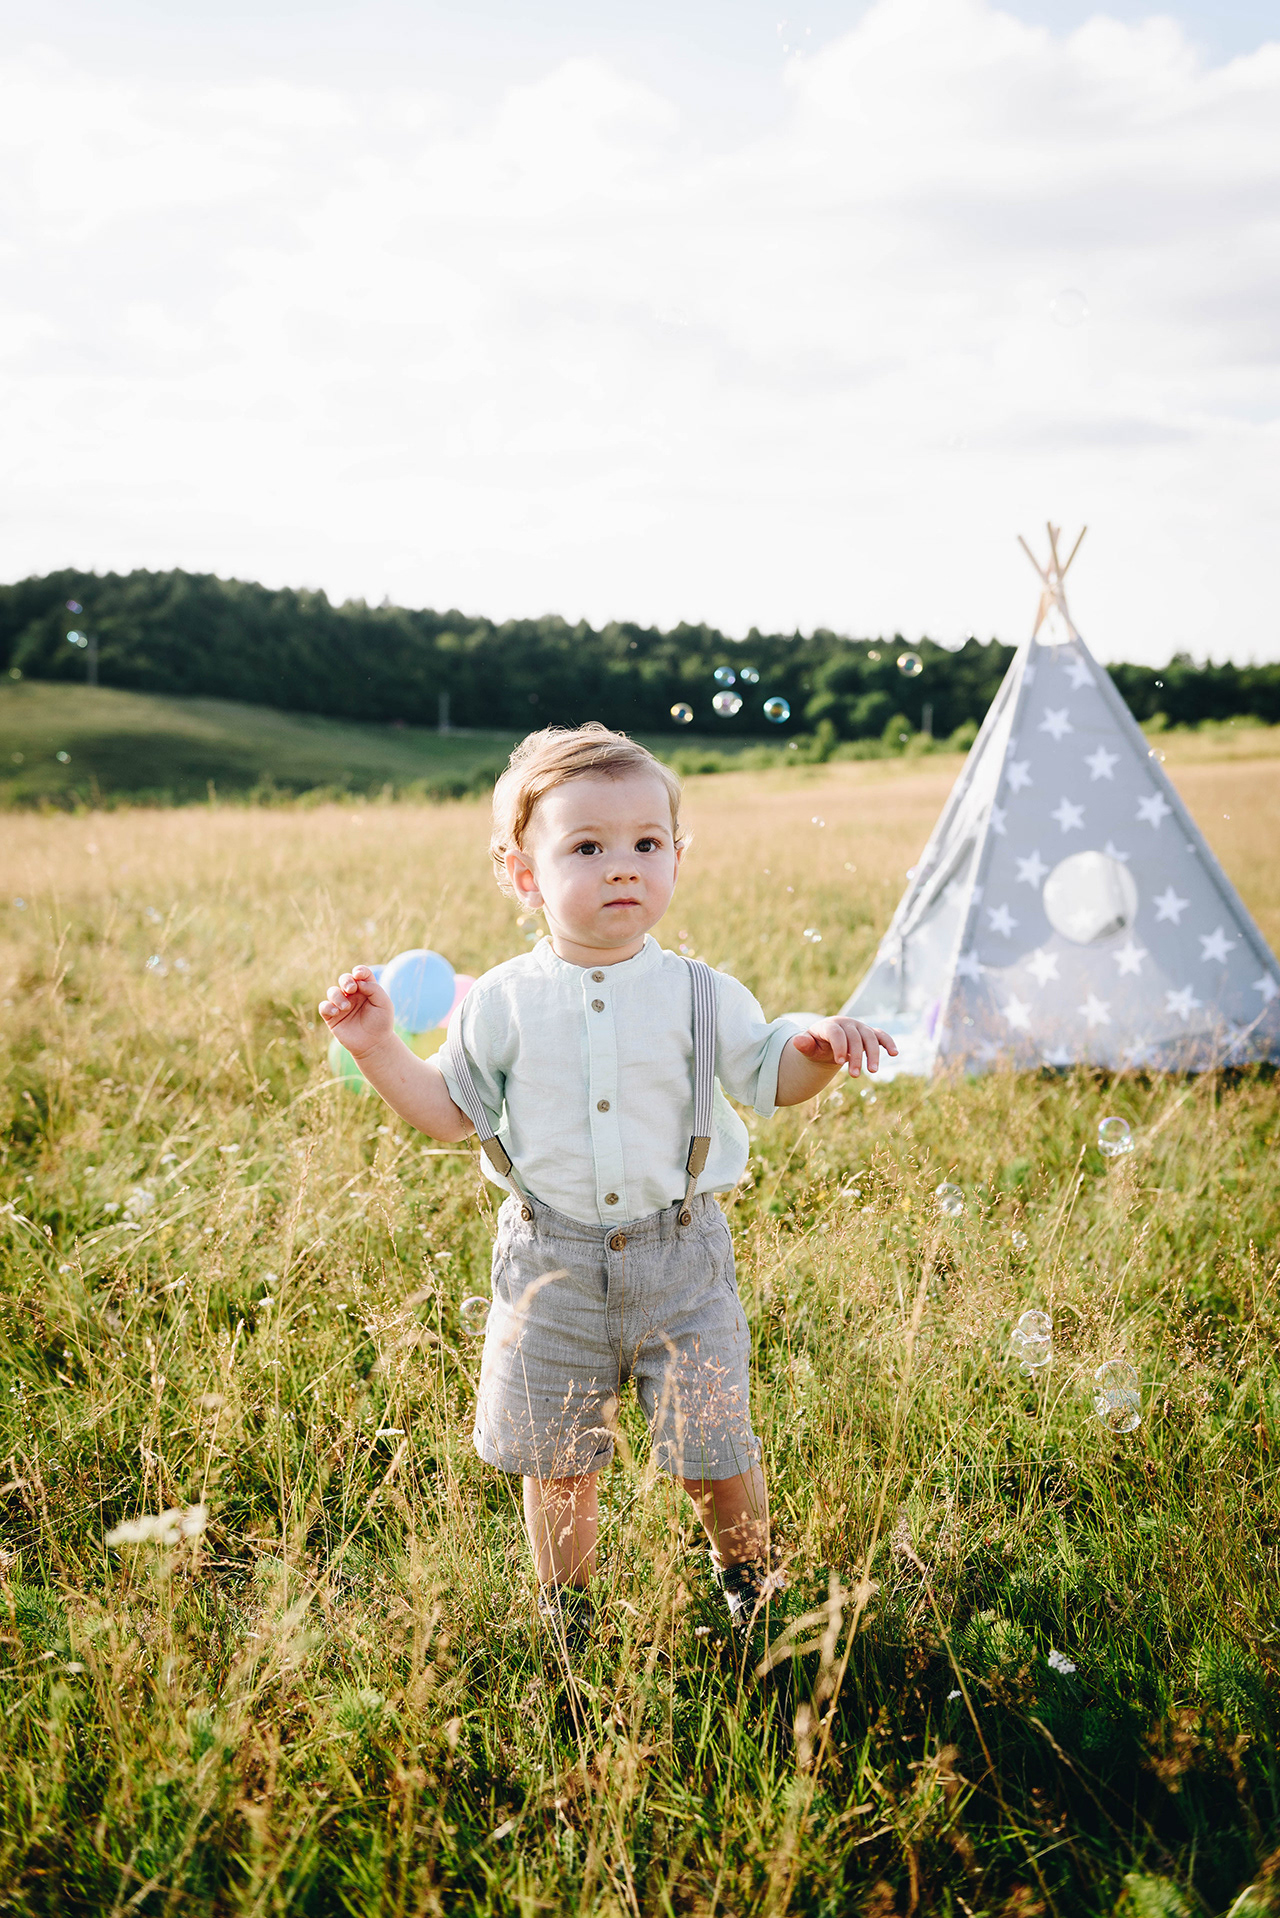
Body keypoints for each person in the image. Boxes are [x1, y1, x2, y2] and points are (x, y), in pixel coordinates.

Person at [319, 724, 895, 1650]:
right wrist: (377, 1045)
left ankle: (750, 1587)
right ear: (524, 876)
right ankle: (570, 1618)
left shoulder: (703, 994)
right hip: (549, 1264)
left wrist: (818, 1051)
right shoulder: (501, 1001)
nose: (623, 865)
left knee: (714, 1448)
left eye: (647, 843)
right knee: (556, 1460)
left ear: (677, 857)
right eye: (587, 847)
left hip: (681, 1258)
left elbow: (771, 1076)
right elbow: (449, 1113)